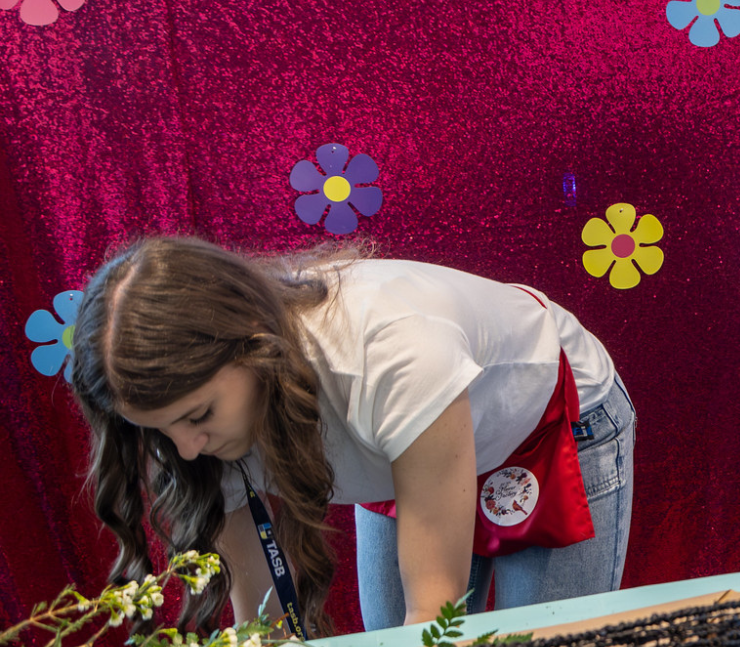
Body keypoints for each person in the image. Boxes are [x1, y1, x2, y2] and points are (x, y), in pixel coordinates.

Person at [68, 238, 635, 635]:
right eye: (160, 433)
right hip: (401, 446)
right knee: (385, 632)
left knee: (534, 638)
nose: (188, 449)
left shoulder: (393, 358)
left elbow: (434, 616)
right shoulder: (182, 431)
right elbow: (263, 626)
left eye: (198, 416)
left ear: (254, 346)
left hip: (548, 430)